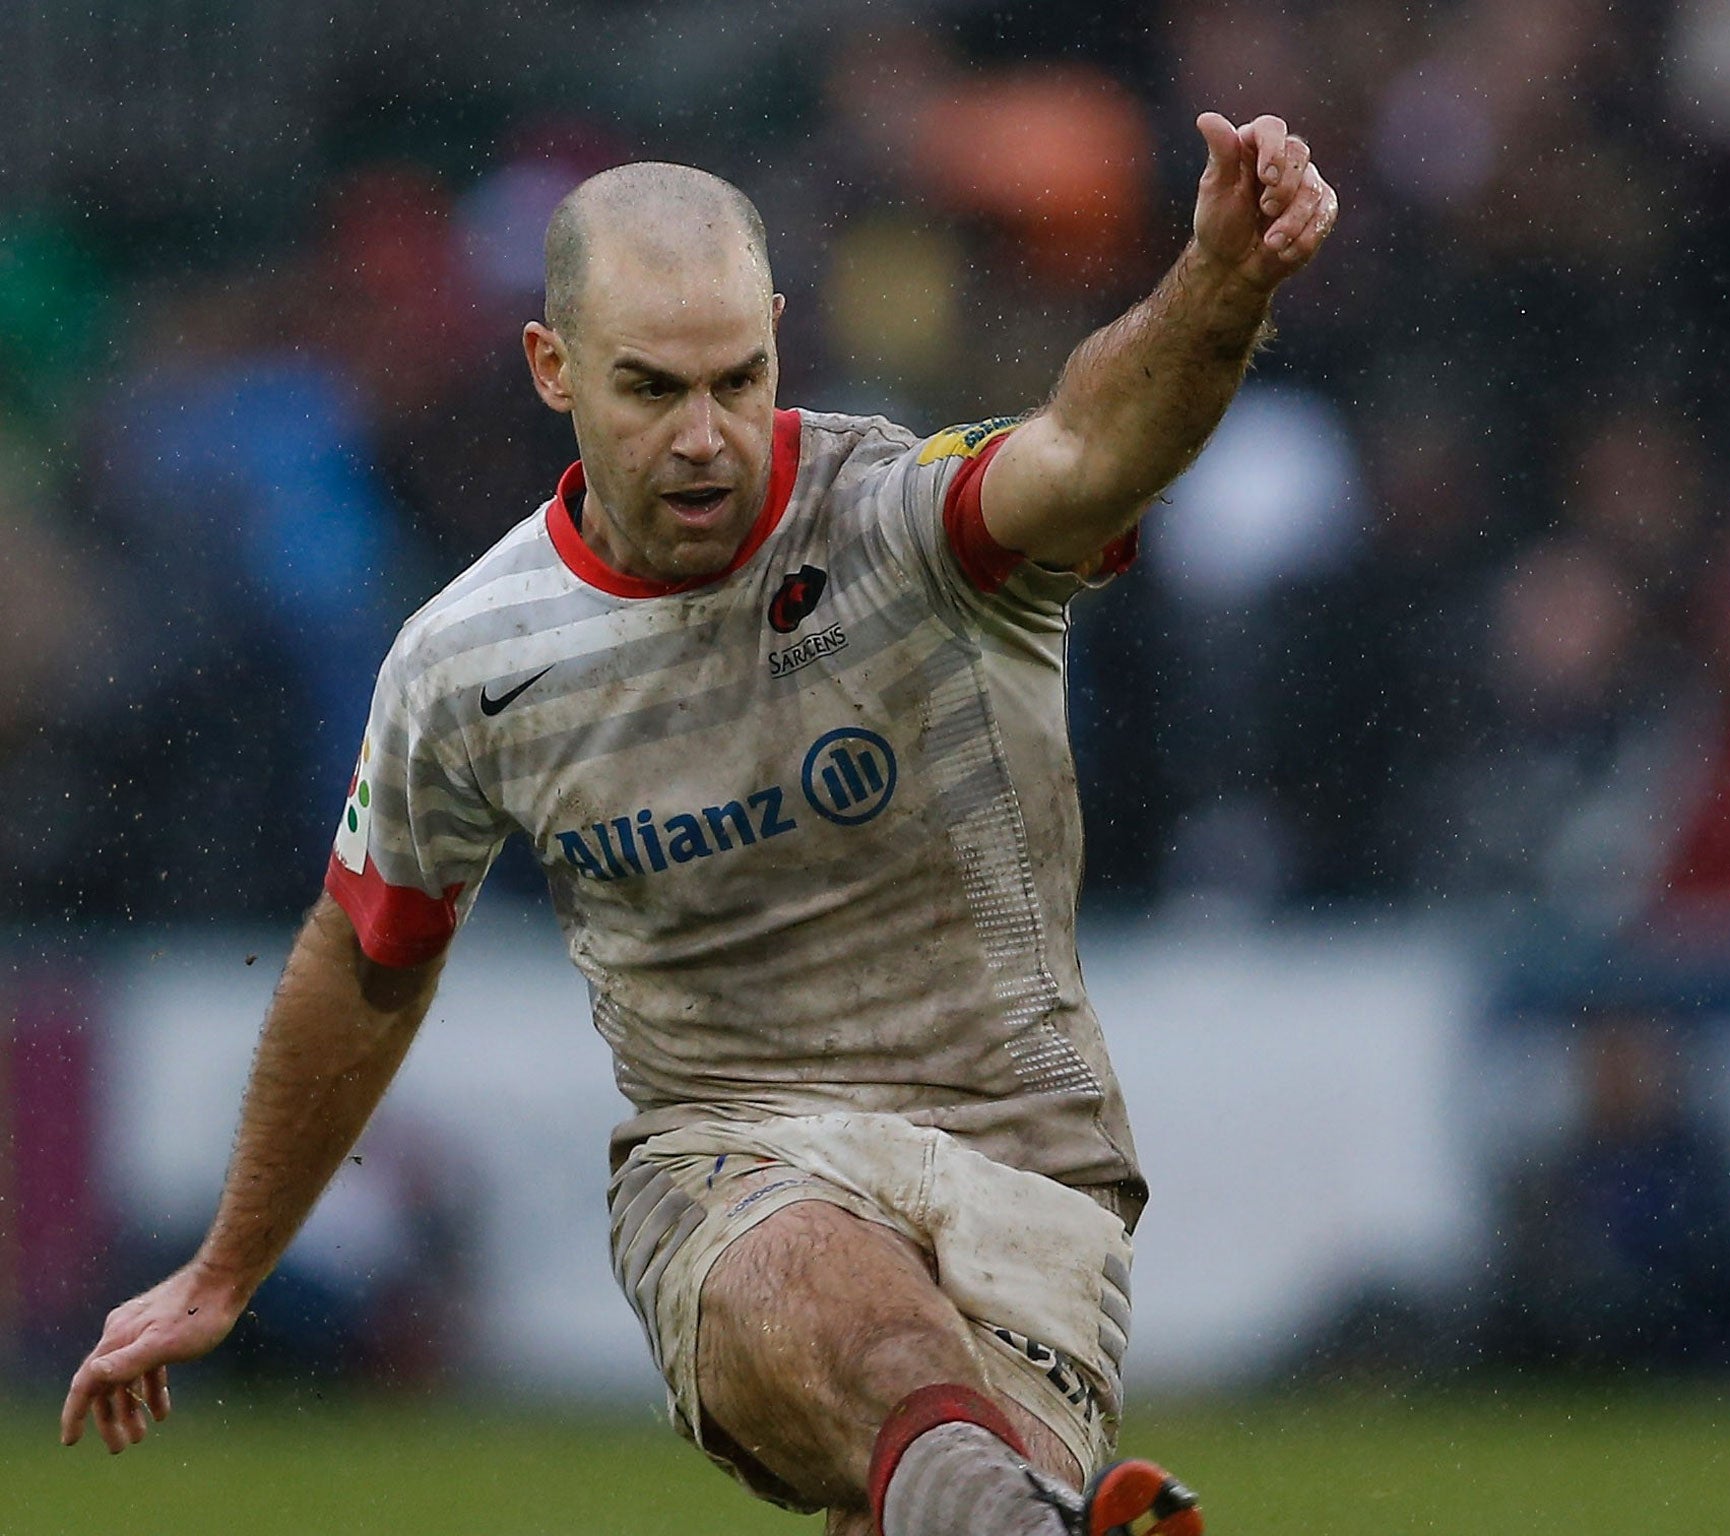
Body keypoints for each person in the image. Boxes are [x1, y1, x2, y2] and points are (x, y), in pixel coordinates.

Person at [60, 110, 1337, 1536]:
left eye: (739, 379)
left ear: (781, 337)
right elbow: (366, 961)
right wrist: (227, 1270)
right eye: (650, 388)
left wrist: (1224, 281)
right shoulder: (468, 660)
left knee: (950, 1500)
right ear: (552, 368)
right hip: (727, 1160)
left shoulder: (902, 524)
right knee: (823, 1281)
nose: (704, 438)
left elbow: (1097, 439)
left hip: (1023, 1165)